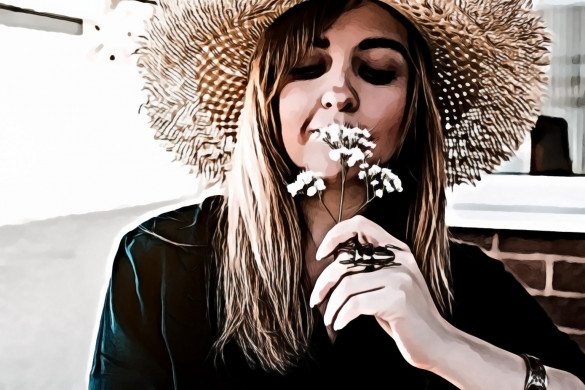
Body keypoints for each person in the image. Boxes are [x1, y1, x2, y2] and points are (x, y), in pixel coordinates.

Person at [88, 0, 585, 388]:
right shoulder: (160, 259)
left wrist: (447, 347)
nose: (340, 92)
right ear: (265, 101)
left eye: (377, 71)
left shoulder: (472, 283)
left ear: (413, 115)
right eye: (306, 66)